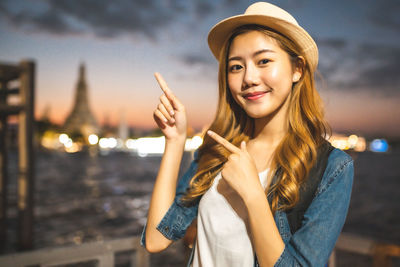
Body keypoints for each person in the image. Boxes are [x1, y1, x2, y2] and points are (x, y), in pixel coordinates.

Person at [141, 2, 354, 267]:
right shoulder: (218, 149)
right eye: (236, 67)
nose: (249, 78)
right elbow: (156, 239)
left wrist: (253, 194)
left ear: (297, 69)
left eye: (263, 61)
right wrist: (175, 140)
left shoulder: (332, 168)